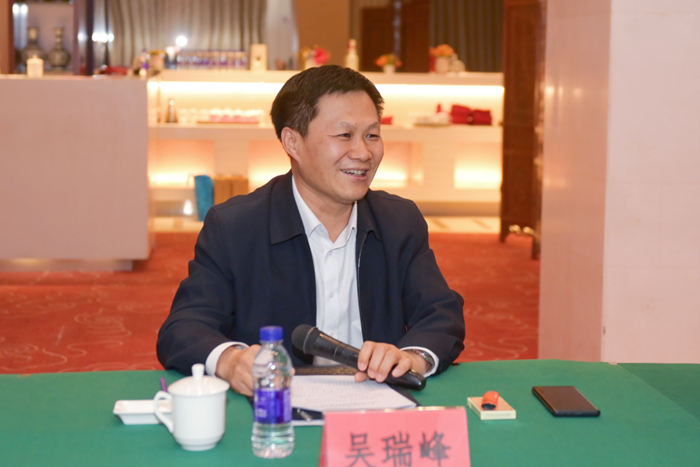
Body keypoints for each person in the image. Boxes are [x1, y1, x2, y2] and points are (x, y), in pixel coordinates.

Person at [157, 65, 465, 396]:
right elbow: (184, 327)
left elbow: (440, 313)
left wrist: (412, 357)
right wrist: (231, 361)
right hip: (276, 408)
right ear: (292, 142)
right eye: (344, 135)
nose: (363, 153)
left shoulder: (399, 221)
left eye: (372, 135)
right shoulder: (235, 226)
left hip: (376, 404)